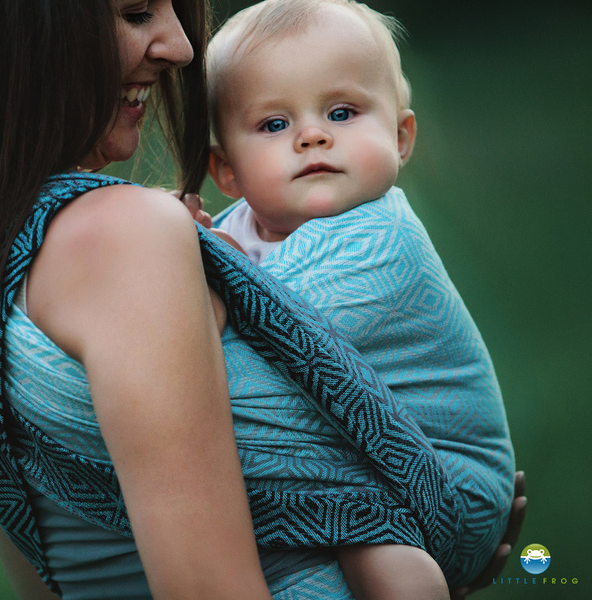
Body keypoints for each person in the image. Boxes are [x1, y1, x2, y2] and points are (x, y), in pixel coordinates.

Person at [0, 1, 524, 598]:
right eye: (137, 11)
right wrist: (425, 514)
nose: (180, 45)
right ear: (17, 28)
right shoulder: (129, 237)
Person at [200, 0, 515, 597]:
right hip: (356, 457)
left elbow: (258, 333)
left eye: (341, 112)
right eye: (273, 125)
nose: (313, 135)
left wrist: (200, 267)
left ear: (401, 137)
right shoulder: (241, 227)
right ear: (228, 172)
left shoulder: (380, 242)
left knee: (371, 542)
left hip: (447, 480)